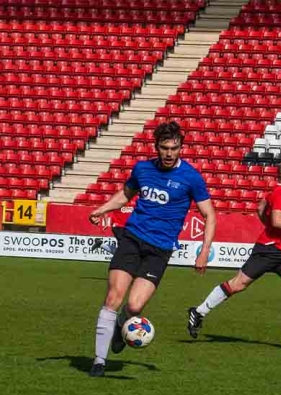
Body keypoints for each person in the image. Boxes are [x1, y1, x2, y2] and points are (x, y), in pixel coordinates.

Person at [87, 121, 216, 377]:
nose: (169, 153)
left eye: (174, 148)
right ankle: (99, 361)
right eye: (165, 148)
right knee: (114, 296)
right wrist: (103, 208)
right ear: (156, 146)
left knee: (134, 307)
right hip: (132, 239)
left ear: (181, 148)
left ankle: (120, 329)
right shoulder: (142, 169)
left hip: (160, 249)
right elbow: (125, 195)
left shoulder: (191, 177)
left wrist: (204, 251)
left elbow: (209, 215)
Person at [187, 160, 281, 344]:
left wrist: (270, 227)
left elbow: (261, 207)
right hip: (269, 250)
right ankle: (198, 312)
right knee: (237, 285)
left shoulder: (278, 192)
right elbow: (277, 220)